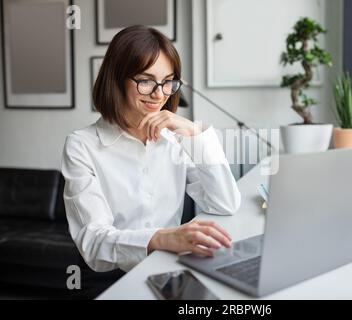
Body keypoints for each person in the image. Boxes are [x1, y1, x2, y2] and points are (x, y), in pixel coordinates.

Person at [61, 25, 241, 273]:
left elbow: (225, 203)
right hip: (115, 277)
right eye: (145, 81)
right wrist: (163, 238)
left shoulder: (176, 140)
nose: (159, 94)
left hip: (170, 268)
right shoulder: (82, 145)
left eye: (168, 82)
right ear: (116, 79)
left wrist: (195, 133)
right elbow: (93, 242)